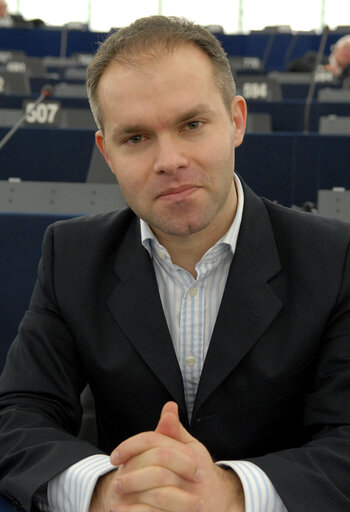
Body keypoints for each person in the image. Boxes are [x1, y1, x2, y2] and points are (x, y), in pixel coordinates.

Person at [0, 14, 350, 512]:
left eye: (191, 124)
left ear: (236, 121)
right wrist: (104, 490)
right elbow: (18, 414)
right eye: (136, 138)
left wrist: (229, 493)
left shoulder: (334, 258)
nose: (169, 160)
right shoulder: (70, 256)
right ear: (107, 152)